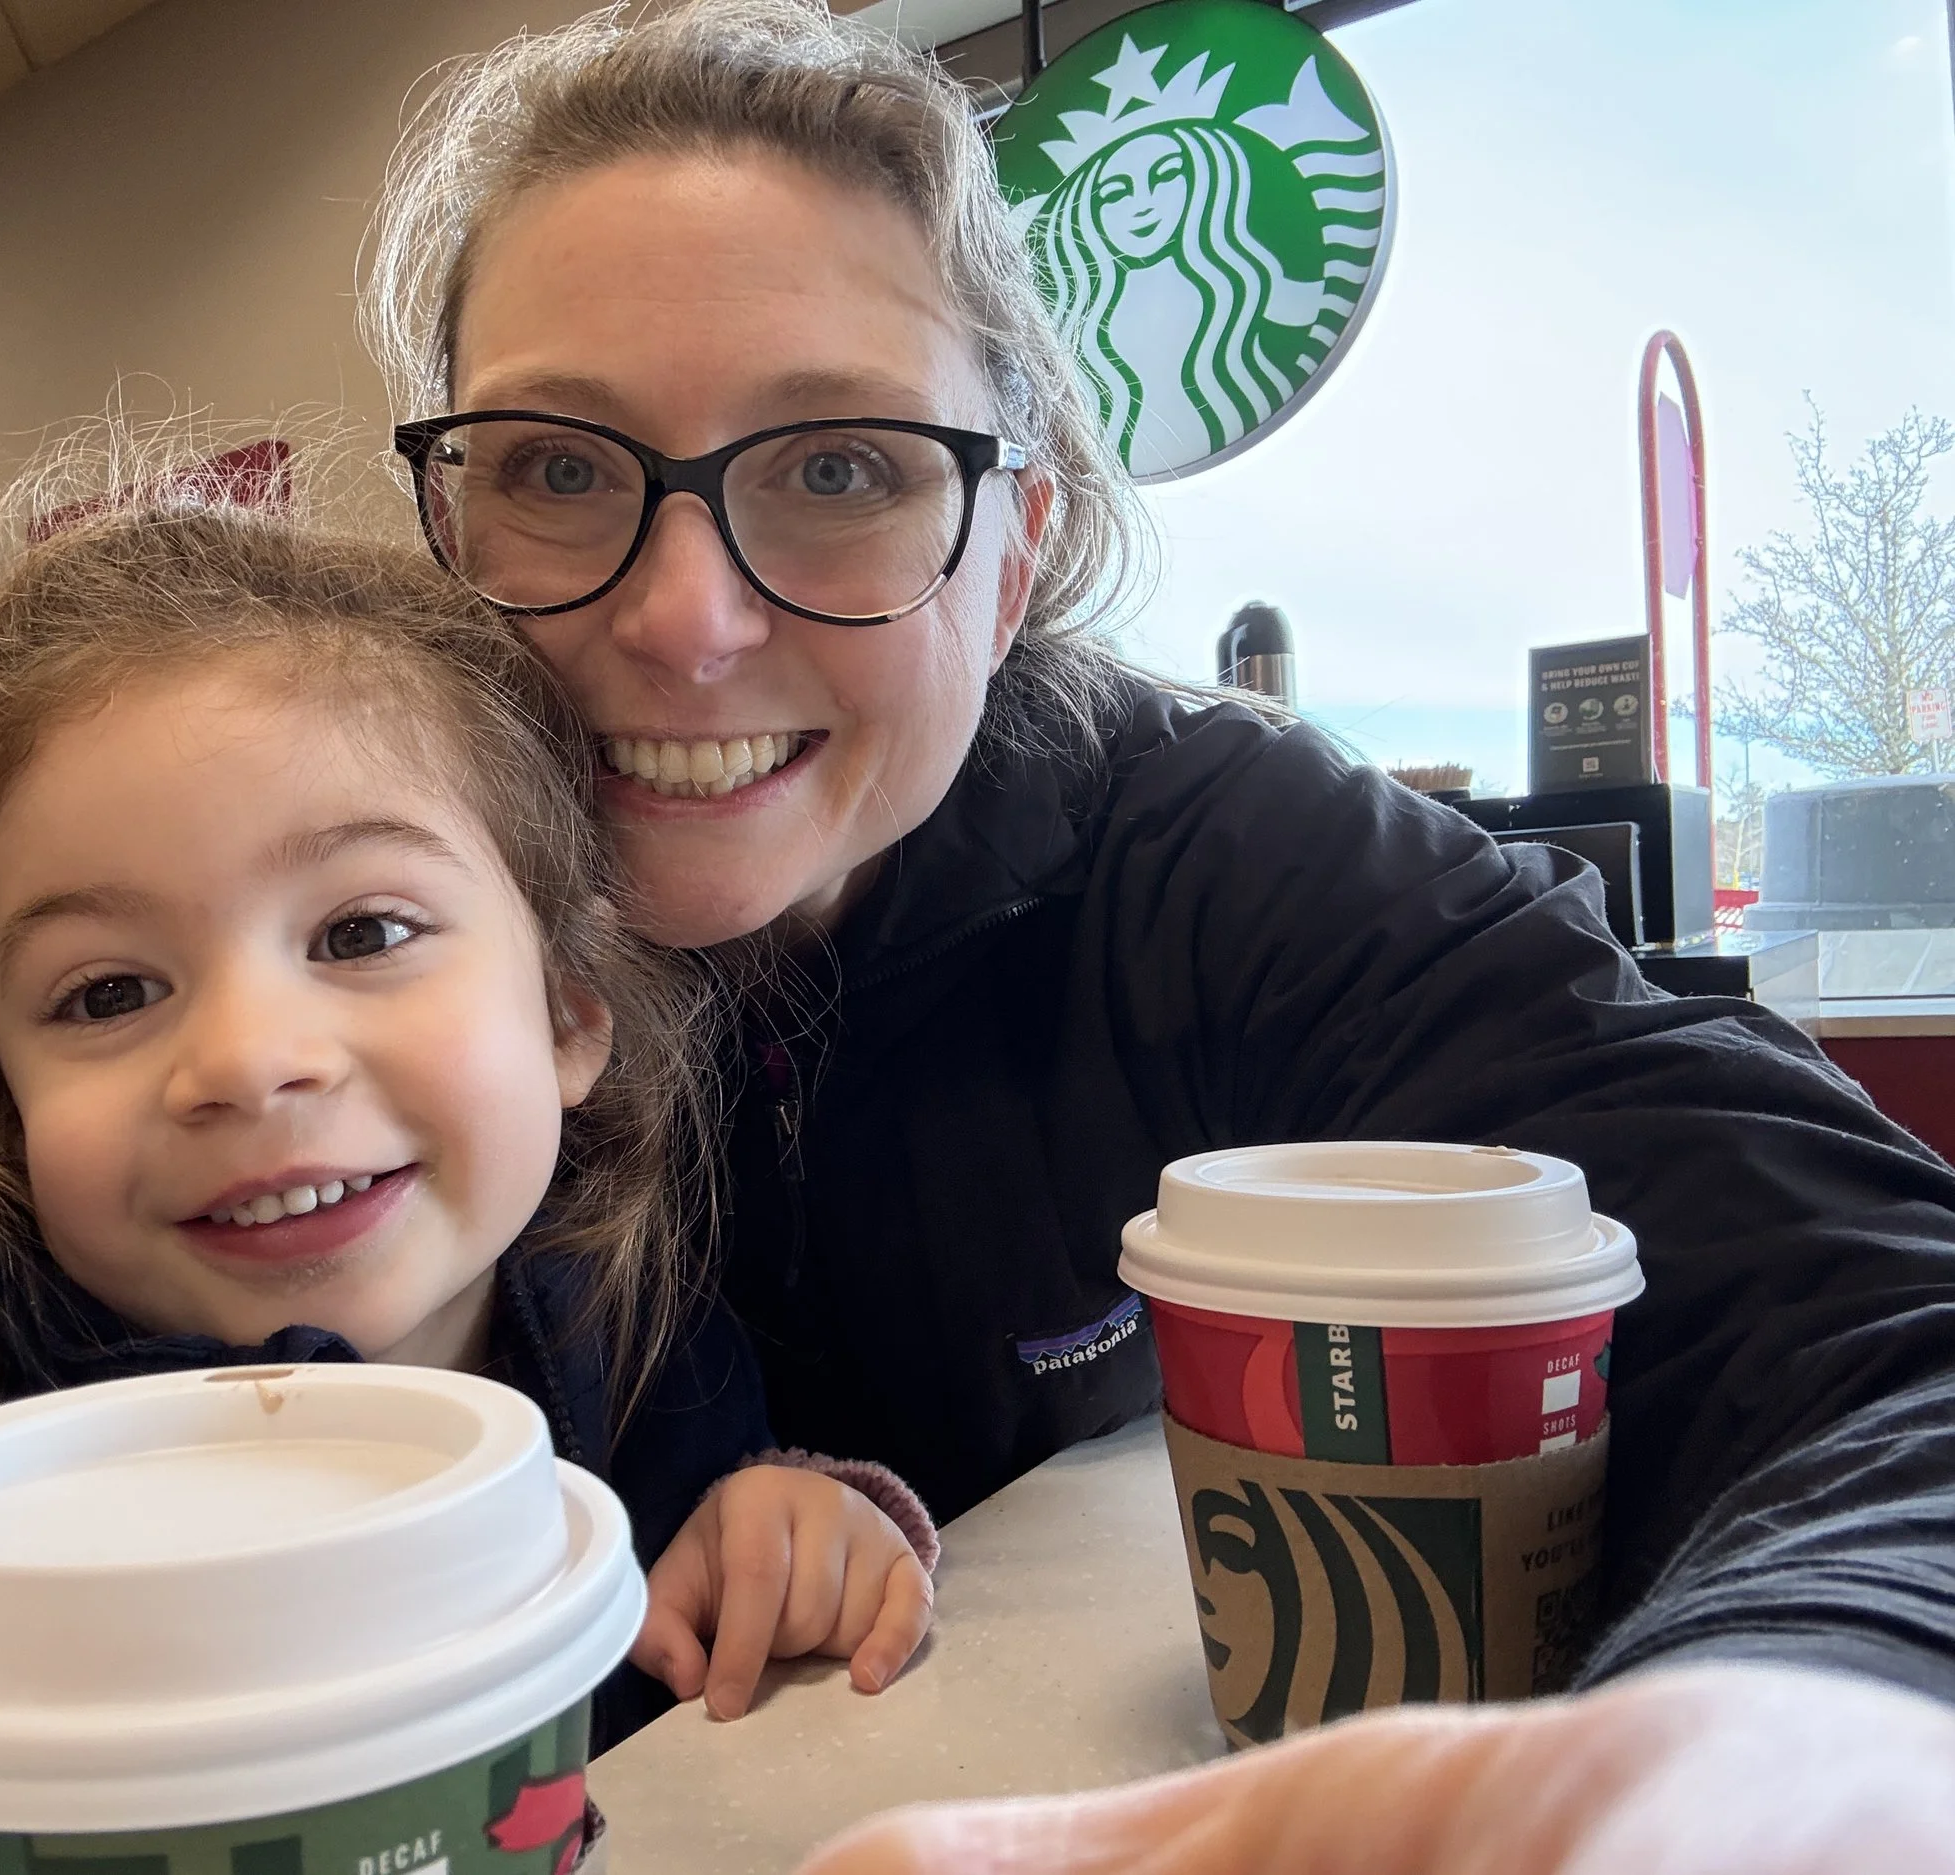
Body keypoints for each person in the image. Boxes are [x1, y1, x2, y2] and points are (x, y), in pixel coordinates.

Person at [358, 0, 1955, 1858]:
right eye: (558, 469)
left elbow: (1880, 1339)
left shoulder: (1217, 856)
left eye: (843, 467)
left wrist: (1761, 1761)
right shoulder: (292, 933)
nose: (687, 620)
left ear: (1015, 548)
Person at [0, 455, 936, 1872]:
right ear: (0, 1092)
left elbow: (681, 1597)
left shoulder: (641, 1330)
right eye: (107, 992)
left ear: (564, 1012)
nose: (244, 1058)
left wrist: (781, 1518)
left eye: (362, 931)